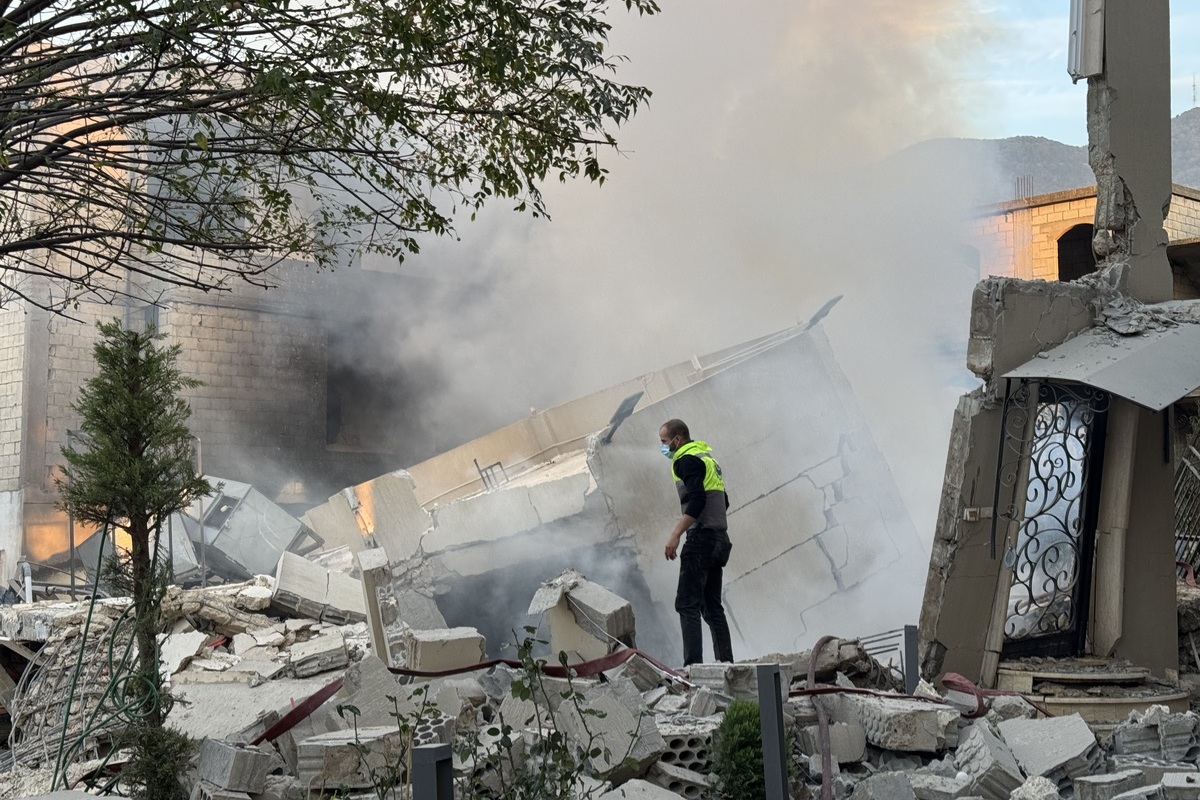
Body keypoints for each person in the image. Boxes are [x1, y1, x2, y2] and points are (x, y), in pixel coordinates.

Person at [659, 418, 734, 666]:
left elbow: (698, 500)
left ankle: (693, 669)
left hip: (701, 539)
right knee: (712, 606)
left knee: (686, 604)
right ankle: (727, 665)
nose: (663, 448)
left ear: (677, 440)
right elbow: (723, 502)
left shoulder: (685, 460)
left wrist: (676, 534)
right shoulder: (706, 458)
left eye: (664, 442)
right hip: (720, 539)